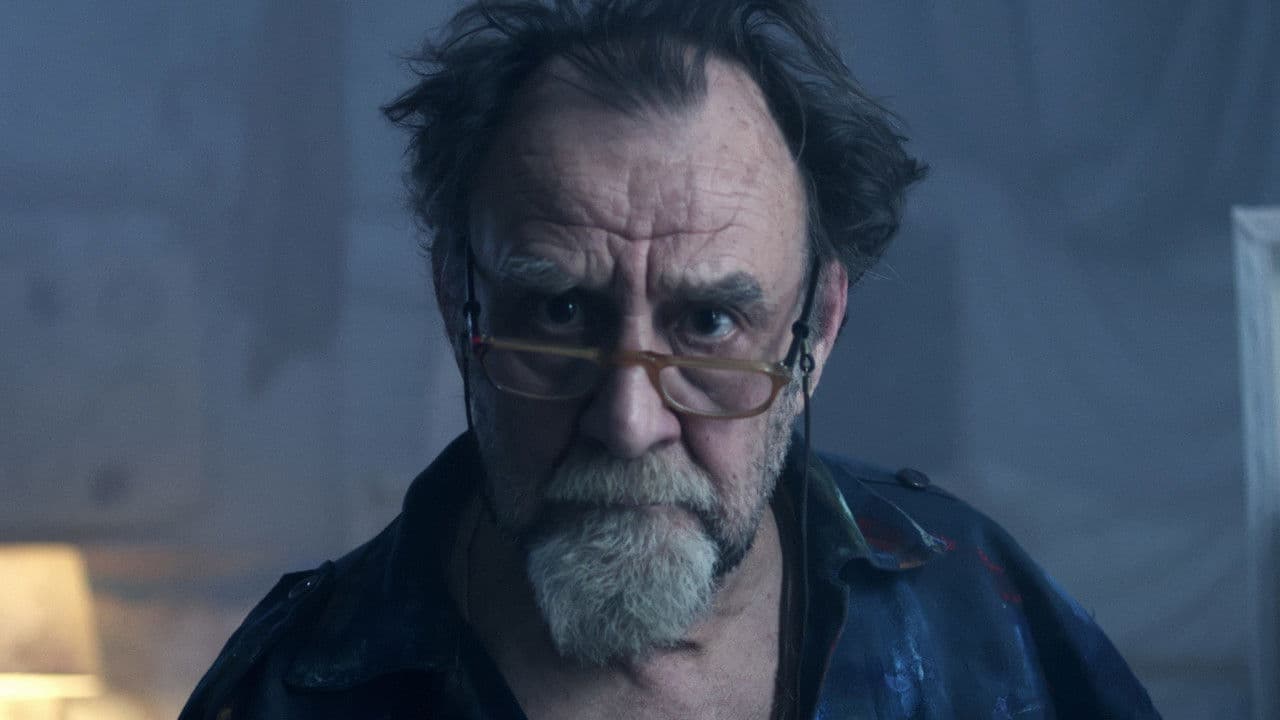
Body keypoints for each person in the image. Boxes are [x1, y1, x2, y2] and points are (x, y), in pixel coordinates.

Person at [181, 1, 1161, 718]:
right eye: (561, 310)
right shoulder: (288, 694)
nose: (627, 419)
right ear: (457, 304)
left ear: (815, 330)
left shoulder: (980, 618)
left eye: (707, 323)